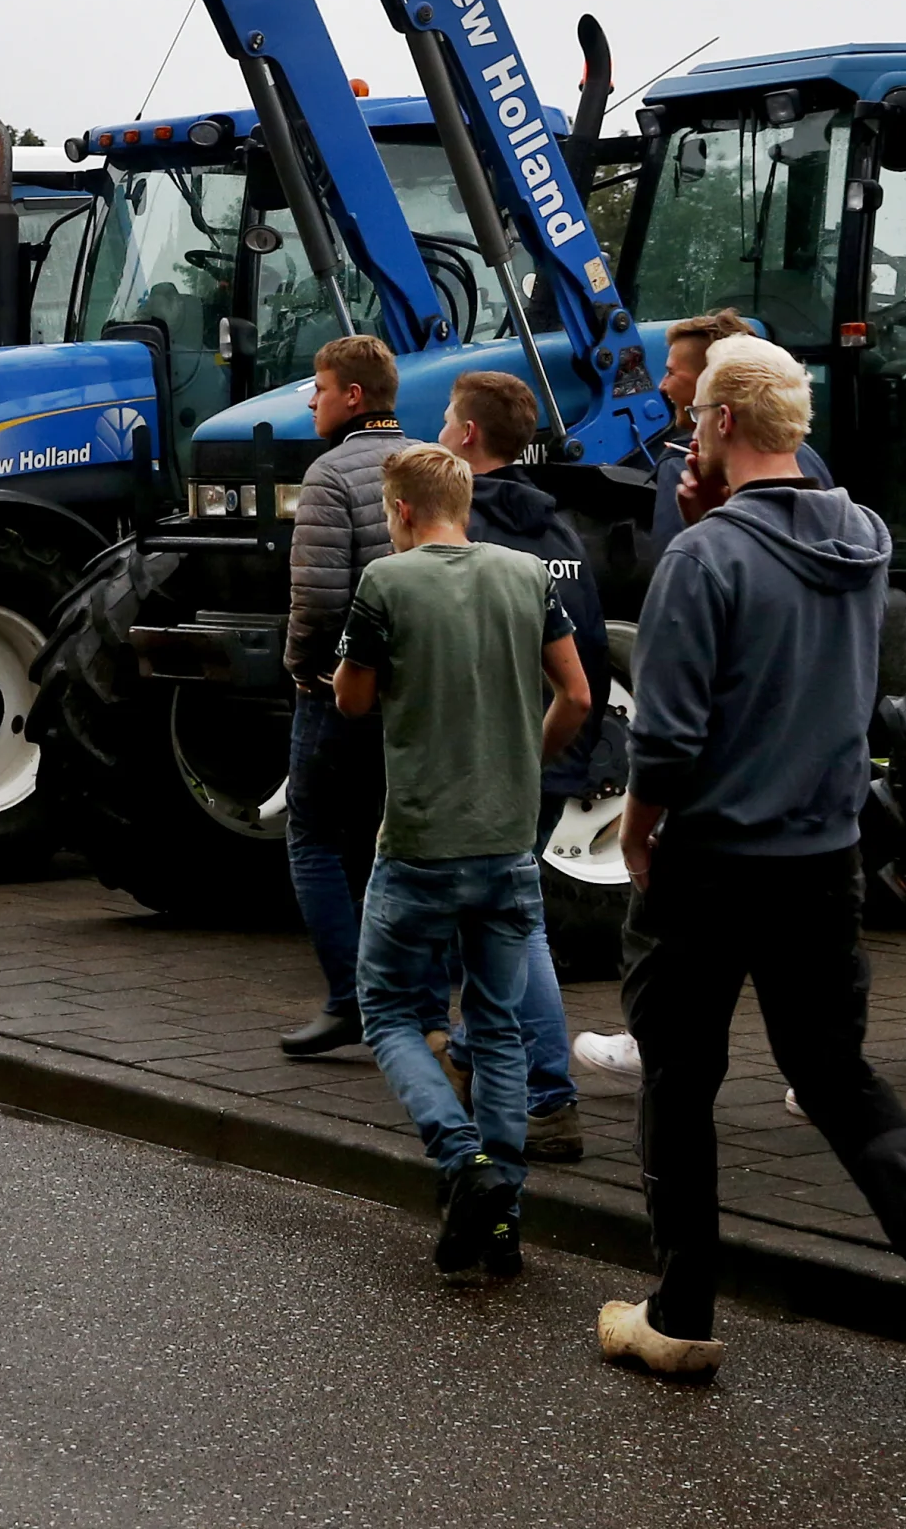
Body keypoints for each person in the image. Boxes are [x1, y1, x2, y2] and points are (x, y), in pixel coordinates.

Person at [601, 336, 906, 1407]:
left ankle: (680, 1314)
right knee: (836, 1075)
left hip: (706, 861)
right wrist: (717, 517)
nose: (689, 433)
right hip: (823, 859)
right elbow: (786, 596)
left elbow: (668, 735)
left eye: (697, 418)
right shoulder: (865, 539)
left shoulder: (702, 560)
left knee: (680, 1077)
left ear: (721, 424)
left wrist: (637, 833)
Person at [336, 441, 590, 1278]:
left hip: (420, 842)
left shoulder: (386, 582)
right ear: (465, 504)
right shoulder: (527, 576)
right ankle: (503, 1220)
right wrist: (528, 760)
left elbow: (352, 699)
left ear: (402, 510)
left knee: (387, 1012)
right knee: (501, 1026)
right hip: (507, 840)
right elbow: (577, 695)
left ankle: (462, 1157)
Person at [435, 368, 603, 1164]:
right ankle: (471, 1054)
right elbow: (585, 657)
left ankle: (547, 1096)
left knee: (512, 922)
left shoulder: (466, 534)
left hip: (488, 762)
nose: (440, 431)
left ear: (468, 435)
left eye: (446, 420)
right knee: (494, 916)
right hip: (553, 753)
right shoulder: (559, 529)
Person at [277, 335, 413, 1059]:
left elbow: (321, 597)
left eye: (321, 388)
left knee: (313, 837)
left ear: (353, 397)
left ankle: (350, 1000)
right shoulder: (429, 462)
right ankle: (409, 1000)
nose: (312, 401)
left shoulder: (329, 474)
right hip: (415, 692)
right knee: (391, 841)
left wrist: (301, 668)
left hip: (338, 689)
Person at [646, 310, 833, 559]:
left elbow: (669, 565)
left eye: (671, 373)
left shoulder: (685, 467)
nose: (662, 386)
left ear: (709, 382)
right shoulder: (804, 456)